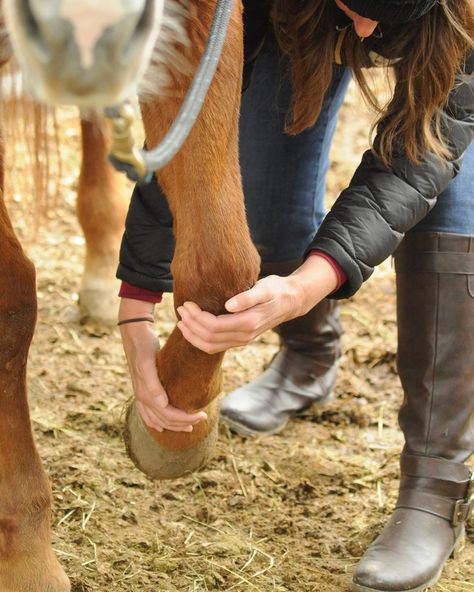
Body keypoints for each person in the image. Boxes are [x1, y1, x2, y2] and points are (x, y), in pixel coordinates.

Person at [117, 1, 474, 591]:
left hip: (452, 41)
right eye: (354, 7)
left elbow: (412, 167)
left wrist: (308, 285)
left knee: (449, 205)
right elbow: (186, 118)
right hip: (289, 16)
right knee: (262, 203)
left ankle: (436, 486)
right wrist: (136, 300)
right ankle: (309, 360)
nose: (365, 31)